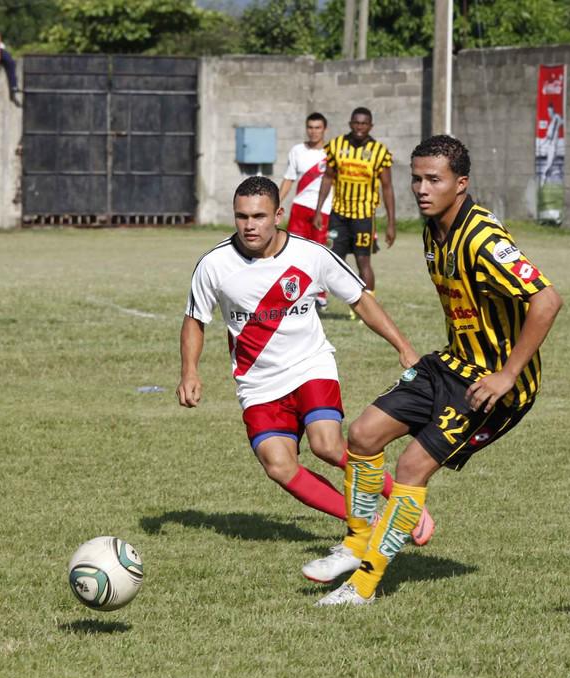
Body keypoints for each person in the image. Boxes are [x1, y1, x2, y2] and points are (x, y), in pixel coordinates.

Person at [304, 135, 563, 606]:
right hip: (451, 362)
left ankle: (362, 586)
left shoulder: (484, 238)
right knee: (361, 434)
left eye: (434, 180)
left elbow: (547, 301)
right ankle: (355, 542)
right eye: (416, 179)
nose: (422, 189)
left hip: (492, 385)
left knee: (410, 467)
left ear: (460, 184)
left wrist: (506, 375)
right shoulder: (432, 230)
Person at [177, 176, 433, 551]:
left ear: (279, 214)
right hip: (258, 382)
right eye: (242, 216)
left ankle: (403, 499)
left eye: (260, 216)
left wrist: (403, 346)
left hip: (310, 366)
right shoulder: (215, 264)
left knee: (327, 445)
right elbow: (194, 319)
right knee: (279, 466)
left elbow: (360, 299)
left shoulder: (311, 255)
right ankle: (366, 519)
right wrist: (190, 371)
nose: (250, 225)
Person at [312, 107, 396, 295]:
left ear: (370, 126)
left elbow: (387, 187)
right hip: (338, 214)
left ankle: (369, 307)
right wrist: (319, 210)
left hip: (364, 216)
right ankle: (346, 298)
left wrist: (391, 222)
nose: (360, 127)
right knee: (333, 259)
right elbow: (327, 178)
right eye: (356, 123)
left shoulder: (379, 152)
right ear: (350, 124)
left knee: (363, 261)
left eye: (364, 123)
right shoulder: (336, 146)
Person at [279, 112, 333, 310]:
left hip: (324, 210)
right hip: (300, 208)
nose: (313, 131)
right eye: (310, 127)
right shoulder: (297, 151)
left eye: (318, 127)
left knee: (320, 253)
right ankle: (295, 293)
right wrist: (276, 202)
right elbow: (288, 179)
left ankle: (320, 294)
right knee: (294, 252)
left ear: (324, 129)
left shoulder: (332, 151)